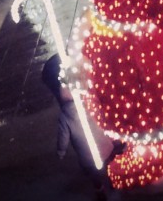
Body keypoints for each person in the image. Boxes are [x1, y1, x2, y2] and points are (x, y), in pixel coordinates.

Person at [42, 54, 125, 201]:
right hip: (105, 147)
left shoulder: (65, 116)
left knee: (94, 174)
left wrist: (61, 151)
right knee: (109, 164)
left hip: (87, 157)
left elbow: (63, 136)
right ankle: (113, 181)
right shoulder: (91, 102)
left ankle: (100, 190)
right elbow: (103, 118)